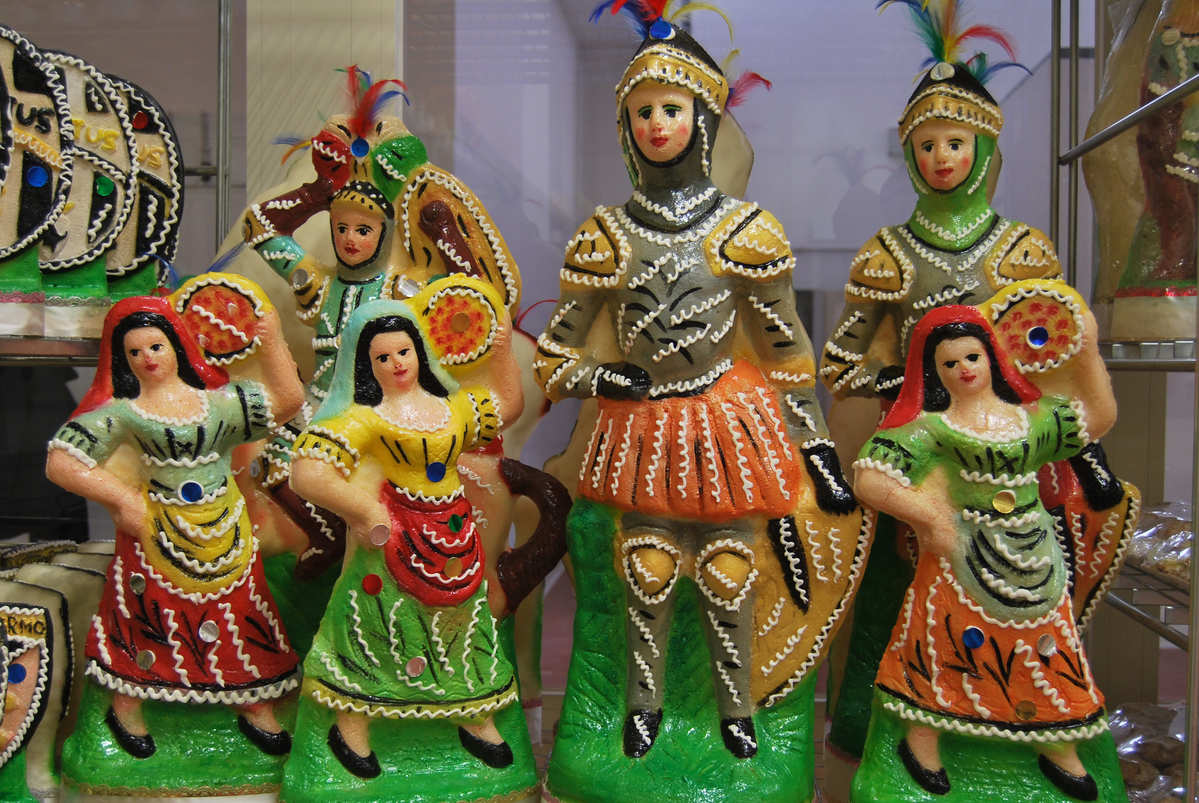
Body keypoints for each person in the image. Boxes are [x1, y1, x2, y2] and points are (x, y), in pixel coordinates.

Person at [534, 15, 859, 760]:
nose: (657, 123)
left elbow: (787, 355)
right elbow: (553, 359)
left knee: (728, 571)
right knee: (646, 570)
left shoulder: (746, 230)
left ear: (703, 120)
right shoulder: (605, 236)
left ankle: (735, 711)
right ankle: (643, 704)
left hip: (726, 419)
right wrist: (602, 375)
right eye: (642, 111)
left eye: (671, 109)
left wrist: (817, 455)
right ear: (625, 127)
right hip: (639, 426)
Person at [852, 303, 1117, 801]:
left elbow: (1097, 418)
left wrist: (1086, 352)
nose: (964, 369)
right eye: (949, 363)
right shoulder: (933, 428)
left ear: (991, 356)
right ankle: (922, 740)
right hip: (962, 559)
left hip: (1034, 555)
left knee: (1045, 648)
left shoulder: (1031, 420)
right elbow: (870, 477)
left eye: (971, 356)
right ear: (934, 373)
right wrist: (933, 517)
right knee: (946, 646)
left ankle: (1056, 743)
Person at [45, 294, 305, 759]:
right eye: (135, 351)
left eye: (156, 346)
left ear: (177, 347)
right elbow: (62, 462)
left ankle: (252, 700)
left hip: (224, 529)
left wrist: (271, 343)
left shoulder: (217, 404)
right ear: (123, 361)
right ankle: (127, 706)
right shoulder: (125, 412)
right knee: (147, 620)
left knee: (238, 615)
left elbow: (287, 402)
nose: (147, 358)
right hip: (157, 532)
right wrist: (123, 498)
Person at [289, 289, 523, 779]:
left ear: (420, 352)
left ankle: (474, 717)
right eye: (382, 357)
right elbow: (308, 472)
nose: (396, 363)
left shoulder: (452, 407)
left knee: (462, 627)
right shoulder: (366, 418)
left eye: (403, 351)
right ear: (365, 366)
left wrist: (502, 352)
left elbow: (506, 406)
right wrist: (365, 510)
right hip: (392, 542)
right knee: (374, 630)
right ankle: (352, 723)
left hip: (453, 536)